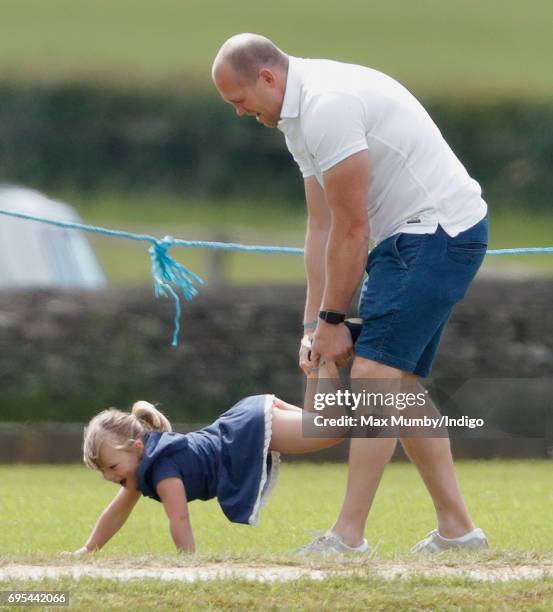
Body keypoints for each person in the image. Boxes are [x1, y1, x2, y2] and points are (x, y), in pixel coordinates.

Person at [212, 33, 489, 554]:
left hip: (434, 232)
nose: (239, 112)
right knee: (397, 383)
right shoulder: (296, 119)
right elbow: (320, 227)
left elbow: (353, 228)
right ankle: (458, 531)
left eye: (239, 100)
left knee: (372, 377)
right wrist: (312, 324)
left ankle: (347, 536)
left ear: (268, 78)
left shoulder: (326, 107)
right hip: (415, 235)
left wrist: (335, 318)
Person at [68, 362, 349, 554]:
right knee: (328, 424)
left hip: (247, 433)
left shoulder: (162, 468)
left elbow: (179, 518)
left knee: (334, 428)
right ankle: (319, 365)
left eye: (112, 467)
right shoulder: (142, 469)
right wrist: (87, 549)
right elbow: (116, 513)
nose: (109, 477)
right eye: (103, 471)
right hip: (245, 424)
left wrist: (189, 563)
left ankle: (323, 363)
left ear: (137, 447)